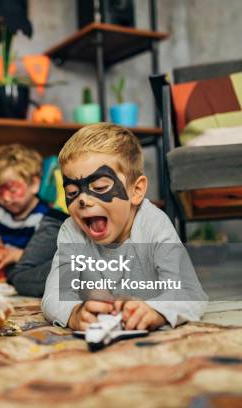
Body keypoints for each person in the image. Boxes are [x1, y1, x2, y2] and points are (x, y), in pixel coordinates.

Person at [41, 123, 207, 331]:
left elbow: (191, 293)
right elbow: (52, 296)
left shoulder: (153, 224)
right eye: (73, 192)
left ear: (136, 191)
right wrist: (74, 314)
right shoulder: (71, 230)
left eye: (100, 187)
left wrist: (157, 311)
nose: (83, 200)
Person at [0, 144, 50, 271]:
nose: (5, 198)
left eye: (12, 190)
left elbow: (45, 256)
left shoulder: (45, 219)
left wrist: (16, 255)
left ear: (34, 184)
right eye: (0, 192)